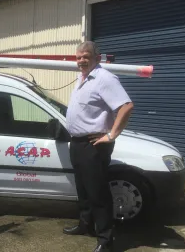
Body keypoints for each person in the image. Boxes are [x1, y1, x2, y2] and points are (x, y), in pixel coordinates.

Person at [63, 41, 134, 252]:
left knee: (98, 193)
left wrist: (112, 135)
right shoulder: (82, 78)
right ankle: (85, 225)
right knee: (83, 189)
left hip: (93, 144)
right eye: (78, 57)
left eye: (85, 56)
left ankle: (106, 239)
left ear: (97, 57)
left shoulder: (104, 78)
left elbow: (126, 106)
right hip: (77, 143)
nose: (81, 61)